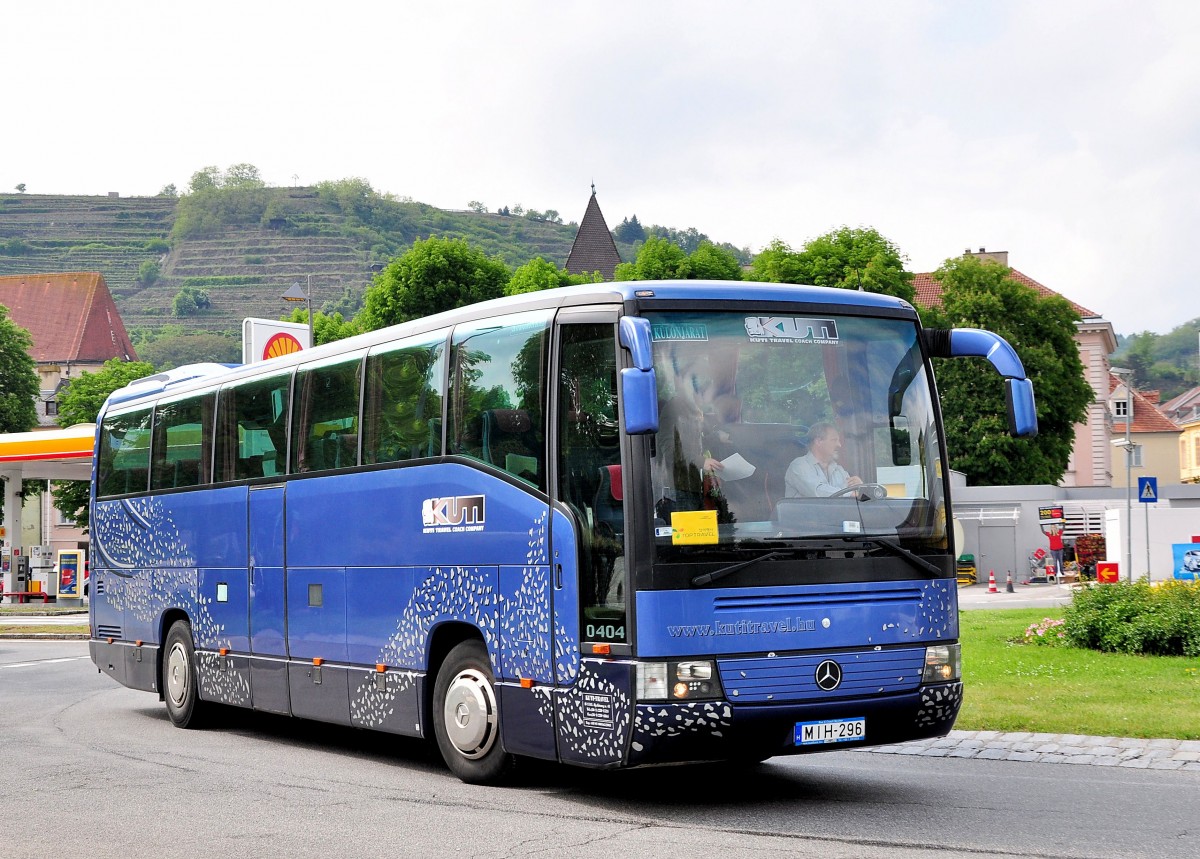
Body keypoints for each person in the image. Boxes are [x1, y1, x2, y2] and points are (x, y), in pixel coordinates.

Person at [784, 421, 862, 497]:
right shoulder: (799, 466)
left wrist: (861, 488)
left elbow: (861, 498)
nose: (839, 445)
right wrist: (850, 494)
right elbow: (818, 491)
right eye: (834, 440)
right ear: (818, 441)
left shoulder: (839, 470)